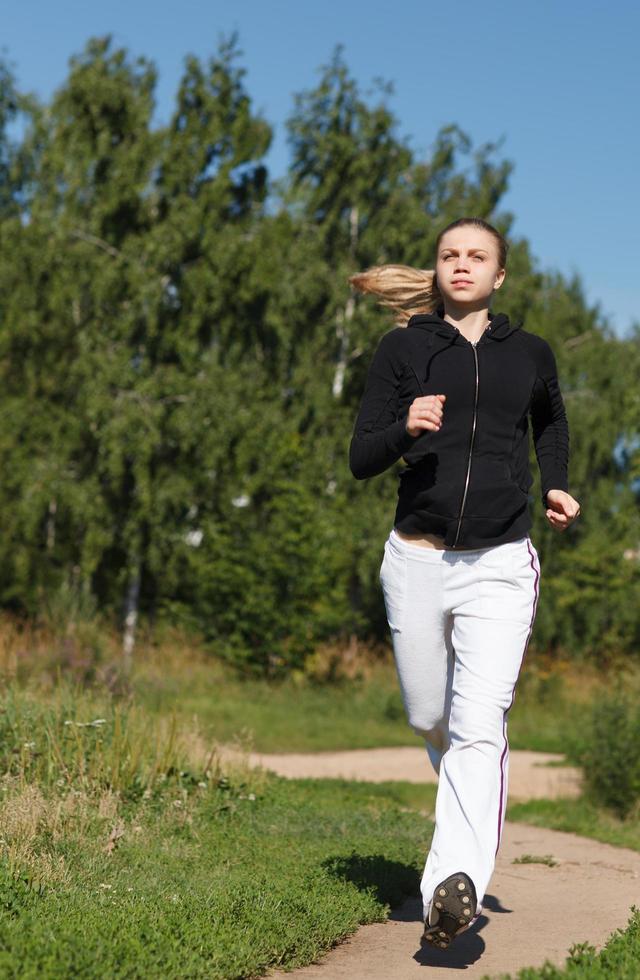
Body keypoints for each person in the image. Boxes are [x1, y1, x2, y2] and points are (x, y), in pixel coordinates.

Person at [348, 217, 581, 950]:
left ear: (499, 275)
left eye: (476, 256)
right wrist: (405, 428)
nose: (461, 265)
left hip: (500, 563)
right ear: (437, 269)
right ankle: (457, 850)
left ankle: (454, 888)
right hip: (416, 557)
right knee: (430, 717)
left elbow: (552, 424)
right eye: (450, 255)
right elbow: (360, 455)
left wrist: (558, 486)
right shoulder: (403, 349)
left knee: (479, 728)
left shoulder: (530, 354)